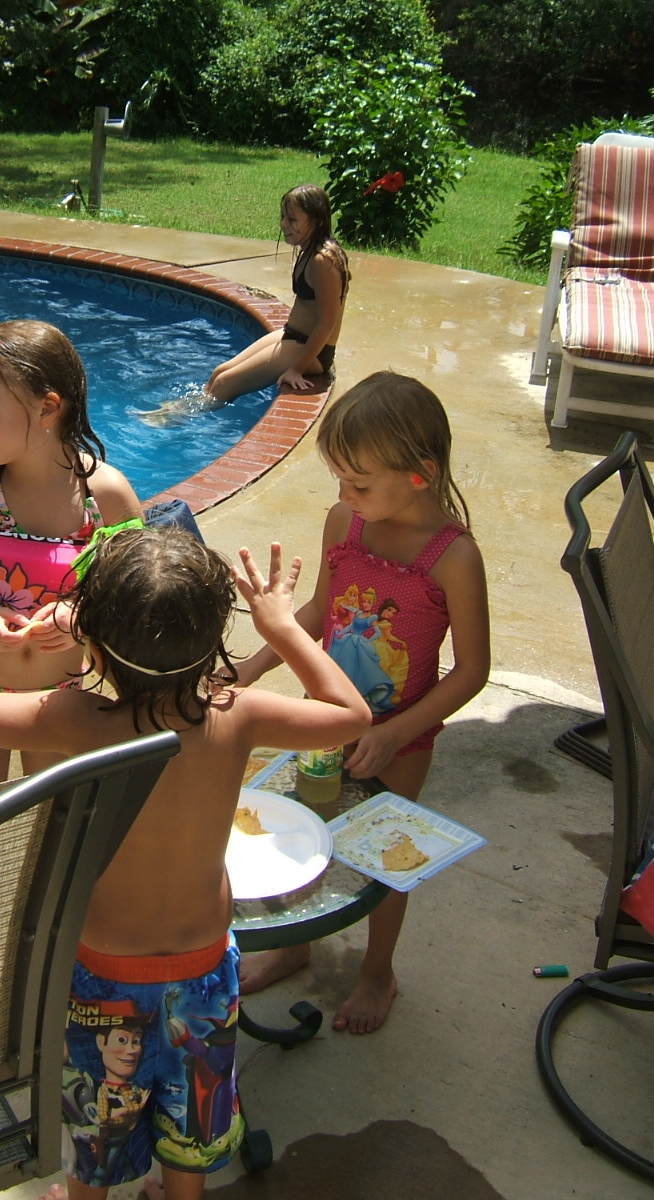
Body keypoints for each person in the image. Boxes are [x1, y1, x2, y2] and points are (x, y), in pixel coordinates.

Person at [0, 527, 370, 1200]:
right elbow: (350, 714)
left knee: (98, 1138)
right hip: (203, 975)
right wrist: (281, 627)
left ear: (93, 646)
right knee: (190, 1131)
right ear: (214, 637)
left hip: (102, 982)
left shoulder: (77, 718)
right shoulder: (235, 713)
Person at [233, 371, 491, 1034]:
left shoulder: (453, 558)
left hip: (401, 736)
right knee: (304, 828)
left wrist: (397, 731)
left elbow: (473, 671)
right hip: (324, 718)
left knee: (383, 855)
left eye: (359, 483)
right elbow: (320, 611)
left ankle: (379, 971)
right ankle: (295, 945)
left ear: (419, 474)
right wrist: (254, 666)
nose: (344, 495)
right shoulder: (344, 523)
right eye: (339, 479)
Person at [0, 319, 143, 792]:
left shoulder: (105, 496)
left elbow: (136, 596)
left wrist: (80, 615)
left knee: (53, 818)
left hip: (60, 699)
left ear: (48, 407)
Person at [205, 184, 349, 405]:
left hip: (312, 351)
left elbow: (326, 324)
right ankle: (177, 409)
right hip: (293, 336)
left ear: (316, 221)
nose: (283, 224)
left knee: (225, 383)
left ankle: (176, 419)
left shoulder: (324, 261)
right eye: (283, 217)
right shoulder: (309, 250)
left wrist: (296, 369)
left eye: (292, 219)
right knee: (220, 372)